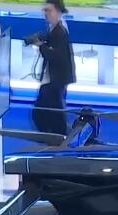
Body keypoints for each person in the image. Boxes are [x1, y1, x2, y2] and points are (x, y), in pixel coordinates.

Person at [30, 0, 76, 136]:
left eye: (49, 10)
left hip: (56, 79)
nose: (46, 14)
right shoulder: (55, 28)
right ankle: (56, 136)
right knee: (49, 111)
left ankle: (58, 137)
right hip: (55, 78)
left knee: (47, 111)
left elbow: (53, 55)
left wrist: (41, 45)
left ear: (58, 11)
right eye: (45, 10)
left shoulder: (60, 31)